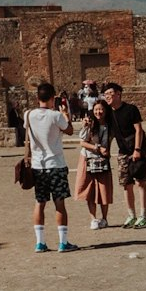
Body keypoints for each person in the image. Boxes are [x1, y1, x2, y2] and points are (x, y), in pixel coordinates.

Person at [26, 83, 79, 253]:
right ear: (53, 98)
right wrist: (66, 115)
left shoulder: (28, 115)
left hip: (37, 165)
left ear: (37, 98)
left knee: (39, 203)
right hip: (56, 164)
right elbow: (70, 130)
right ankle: (63, 242)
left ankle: (40, 242)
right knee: (59, 203)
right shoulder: (56, 116)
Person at [102, 81, 146, 228]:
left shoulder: (130, 109)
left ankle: (143, 216)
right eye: (105, 95)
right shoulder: (109, 113)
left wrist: (137, 149)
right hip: (123, 151)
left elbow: (138, 130)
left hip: (138, 148)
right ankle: (131, 215)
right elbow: (108, 133)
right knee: (126, 184)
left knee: (140, 182)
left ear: (118, 94)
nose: (108, 97)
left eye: (110, 93)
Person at [75, 98, 114, 229]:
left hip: (103, 160)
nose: (99, 112)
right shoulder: (90, 124)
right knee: (90, 190)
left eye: (101, 109)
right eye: (96, 109)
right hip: (88, 159)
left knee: (104, 189)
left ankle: (105, 218)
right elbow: (82, 142)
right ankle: (93, 219)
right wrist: (97, 148)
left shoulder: (110, 125)